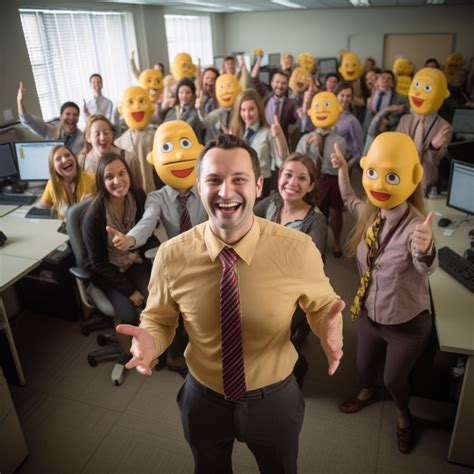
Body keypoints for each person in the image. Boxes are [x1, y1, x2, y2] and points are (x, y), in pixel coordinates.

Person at [117, 133, 344, 474]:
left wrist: (328, 324)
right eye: (214, 180)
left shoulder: (297, 248)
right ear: (198, 186)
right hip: (204, 397)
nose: (226, 192)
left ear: (258, 185)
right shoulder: (171, 255)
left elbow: (322, 304)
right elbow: (159, 319)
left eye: (239, 179)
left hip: (274, 398)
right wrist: (151, 339)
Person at [331, 132, 437, 454]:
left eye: (391, 177)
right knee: (364, 369)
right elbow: (349, 199)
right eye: (373, 173)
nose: (379, 184)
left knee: (393, 380)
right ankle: (367, 391)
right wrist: (342, 170)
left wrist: (426, 249)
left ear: (412, 178)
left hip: (406, 323)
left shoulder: (416, 227)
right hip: (369, 315)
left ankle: (403, 414)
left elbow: (426, 268)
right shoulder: (370, 212)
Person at [254, 152, 328, 387]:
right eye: (288, 175)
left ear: (311, 186)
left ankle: (297, 365)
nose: (292, 182)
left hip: (295, 294)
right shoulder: (273, 202)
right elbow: (245, 219)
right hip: (265, 283)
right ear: (279, 177)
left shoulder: (316, 220)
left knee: (273, 333)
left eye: (302, 178)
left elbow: (309, 264)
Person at [82, 152, 156, 370]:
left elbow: (147, 232)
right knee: (128, 314)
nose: (118, 181)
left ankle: (150, 346)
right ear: (101, 181)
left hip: (133, 261)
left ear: (128, 174)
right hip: (107, 271)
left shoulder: (137, 196)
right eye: (109, 177)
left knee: (155, 300)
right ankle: (128, 354)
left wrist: (158, 252)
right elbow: (97, 263)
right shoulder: (94, 216)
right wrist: (129, 291)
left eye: (122, 173)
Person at [296, 91, 346, 257]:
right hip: (312, 180)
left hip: (331, 180)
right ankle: (317, 243)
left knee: (335, 213)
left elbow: (335, 167)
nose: (322, 110)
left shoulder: (339, 140)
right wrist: (308, 147)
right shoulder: (306, 138)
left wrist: (321, 148)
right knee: (314, 214)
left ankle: (337, 240)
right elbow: (298, 161)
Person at [229, 89, 288, 198]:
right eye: (243, 110)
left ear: (259, 109)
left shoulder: (268, 132)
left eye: (251, 109)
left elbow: (282, 161)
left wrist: (279, 137)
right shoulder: (236, 132)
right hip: (239, 184)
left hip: (261, 185)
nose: (247, 114)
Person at [17, 81, 84, 155]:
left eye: (75, 115)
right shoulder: (50, 130)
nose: (71, 117)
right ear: (61, 117)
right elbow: (27, 120)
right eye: (68, 114)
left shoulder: (82, 139)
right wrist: (20, 101)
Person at [79, 114, 143, 188]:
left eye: (106, 133)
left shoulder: (129, 158)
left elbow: (138, 189)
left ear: (112, 134)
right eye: (97, 134)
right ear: (88, 138)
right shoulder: (81, 162)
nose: (102, 138)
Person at [38, 144, 95, 219]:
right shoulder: (52, 183)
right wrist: (55, 209)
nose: (65, 160)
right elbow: (44, 204)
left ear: (74, 158)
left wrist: (94, 202)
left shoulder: (93, 179)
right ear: (53, 168)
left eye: (68, 155)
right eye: (58, 159)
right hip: (64, 225)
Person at [251, 54, 297, 141]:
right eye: (277, 82)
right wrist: (259, 59)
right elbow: (254, 79)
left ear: (287, 85)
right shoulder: (266, 95)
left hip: (281, 140)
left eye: (283, 83)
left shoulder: (291, 104)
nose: (279, 86)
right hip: (263, 138)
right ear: (272, 83)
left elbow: (295, 119)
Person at [159, 78, 204, 142]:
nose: (184, 96)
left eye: (188, 93)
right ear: (177, 94)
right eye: (181, 92)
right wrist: (163, 109)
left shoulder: (195, 112)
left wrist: (200, 110)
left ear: (193, 94)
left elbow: (183, 128)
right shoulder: (173, 110)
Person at [334, 82, 364, 170]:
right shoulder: (328, 116)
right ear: (336, 96)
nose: (345, 99)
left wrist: (347, 166)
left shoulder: (352, 120)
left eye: (348, 96)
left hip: (342, 162)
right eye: (342, 95)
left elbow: (359, 150)